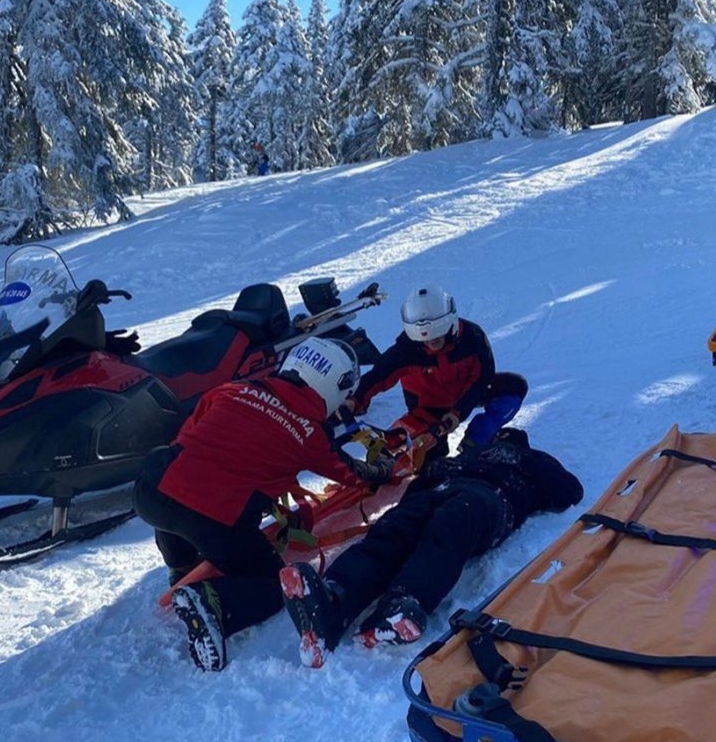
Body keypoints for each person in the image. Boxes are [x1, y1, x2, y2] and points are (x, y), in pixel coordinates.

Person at [133, 338, 395, 672]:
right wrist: (382, 469)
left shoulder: (232, 389)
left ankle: (181, 568)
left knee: (179, 483)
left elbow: (189, 437)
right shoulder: (308, 432)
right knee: (272, 585)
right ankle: (213, 602)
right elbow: (350, 474)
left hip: (151, 492)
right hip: (210, 516)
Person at [280, 427, 583, 668]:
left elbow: (569, 490)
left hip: (490, 497)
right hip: (441, 491)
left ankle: (404, 602)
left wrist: (530, 480)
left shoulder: (528, 459)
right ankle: (333, 601)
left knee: (448, 530)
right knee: (392, 531)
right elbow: (425, 478)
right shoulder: (469, 456)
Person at [345, 284, 528, 466]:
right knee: (422, 461)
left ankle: (475, 442)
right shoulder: (407, 349)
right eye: (425, 341)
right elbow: (377, 376)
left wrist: (458, 413)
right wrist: (354, 401)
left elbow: (481, 381)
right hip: (427, 410)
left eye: (437, 338)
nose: (431, 344)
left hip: (464, 397)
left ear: (451, 326)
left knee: (514, 387)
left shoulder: (473, 339)